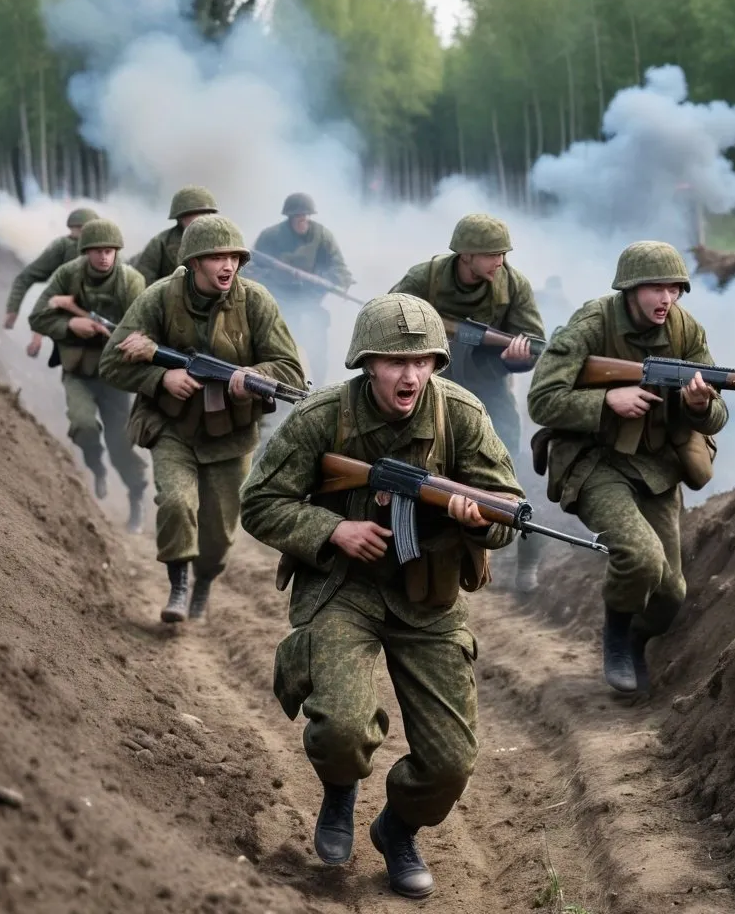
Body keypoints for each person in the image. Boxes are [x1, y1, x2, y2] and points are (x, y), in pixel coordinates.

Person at [240, 294, 522, 900]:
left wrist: (477, 521)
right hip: (345, 587)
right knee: (342, 728)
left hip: (430, 595)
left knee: (450, 763)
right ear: (367, 364)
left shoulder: (462, 417)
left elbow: (506, 511)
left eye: (423, 361)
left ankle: (398, 830)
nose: (410, 375)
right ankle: (340, 789)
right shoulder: (323, 418)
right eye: (396, 362)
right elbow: (259, 502)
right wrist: (333, 529)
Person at [527, 241, 729, 695]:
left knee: (670, 595)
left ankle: (636, 638)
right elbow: (541, 400)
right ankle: (615, 636)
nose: (666, 298)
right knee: (640, 557)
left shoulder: (685, 331)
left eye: (674, 288)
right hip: (596, 463)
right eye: (656, 288)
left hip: (656, 470)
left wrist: (700, 404)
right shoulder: (592, 323)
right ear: (630, 289)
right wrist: (606, 401)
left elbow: (718, 415)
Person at [99, 215, 305, 624]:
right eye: (215, 257)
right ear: (193, 262)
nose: (227, 265)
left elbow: (291, 372)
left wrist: (254, 378)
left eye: (233, 257)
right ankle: (177, 585)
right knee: (176, 502)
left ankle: (204, 580)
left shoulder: (256, 301)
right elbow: (111, 362)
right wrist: (161, 377)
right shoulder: (160, 298)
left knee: (218, 537)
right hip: (172, 426)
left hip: (231, 436)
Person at [389, 213, 547, 592]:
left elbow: (534, 342)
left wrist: (519, 356)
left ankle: (528, 557)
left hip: (489, 390)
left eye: (504, 254)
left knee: (507, 471)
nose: (500, 262)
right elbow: (389, 317)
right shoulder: (424, 278)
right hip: (428, 388)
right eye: (493, 254)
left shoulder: (513, 286)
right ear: (466, 255)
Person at [28, 219, 149, 530]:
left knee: (121, 442)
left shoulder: (130, 281)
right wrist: (70, 325)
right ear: (86, 252)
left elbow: (147, 326)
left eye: (109, 251)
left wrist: (122, 338)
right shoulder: (68, 274)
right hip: (78, 371)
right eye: (97, 251)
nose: (104, 257)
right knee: (83, 425)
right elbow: (38, 316)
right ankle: (96, 467)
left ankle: (136, 495)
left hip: (116, 375)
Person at [251, 192, 353, 386]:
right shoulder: (270, 236)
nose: (302, 220)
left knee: (317, 346)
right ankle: (281, 386)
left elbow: (339, 267)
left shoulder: (322, 235)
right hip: (279, 301)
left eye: (306, 216)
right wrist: (274, 276)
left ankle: (319, 386)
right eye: (298, 216)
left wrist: (324, 280)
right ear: (289, 217)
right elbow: (250, 267)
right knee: (280, 347)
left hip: (311, 300)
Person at [4, 206, 99, 357]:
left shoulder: (108, 252)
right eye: (77, 231)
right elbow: (43, 291)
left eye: (84, 230)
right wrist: (13, 310)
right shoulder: (63, 247)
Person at [131, 186, 219, 286]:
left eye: (206, 213)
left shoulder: (220, 241)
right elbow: (143, 280)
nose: (201, 219)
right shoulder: (160, 243)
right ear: (180, 217)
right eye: (195, 213)